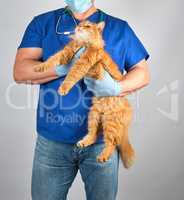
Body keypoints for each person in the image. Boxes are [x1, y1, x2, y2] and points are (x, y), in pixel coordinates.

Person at [13, 0, 150, 200]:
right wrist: (62, 68)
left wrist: (116, 87)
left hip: (102, 141)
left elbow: (142, 73)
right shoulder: (42, 23)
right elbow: (20, 71)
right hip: (52, 141)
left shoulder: (120, 28)